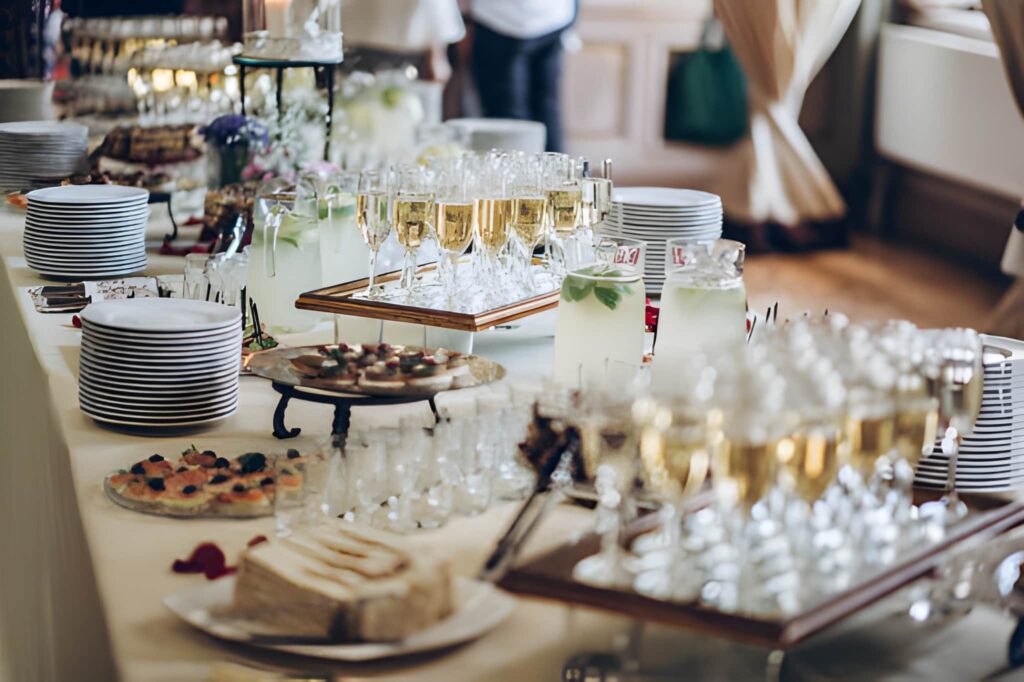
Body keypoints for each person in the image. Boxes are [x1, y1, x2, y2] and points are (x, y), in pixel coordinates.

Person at [470, 0, 577, 152]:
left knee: (510, 116)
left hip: (502, 19)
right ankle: (554, 164)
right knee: (545, 108)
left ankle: (525, 165)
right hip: (552, 16)